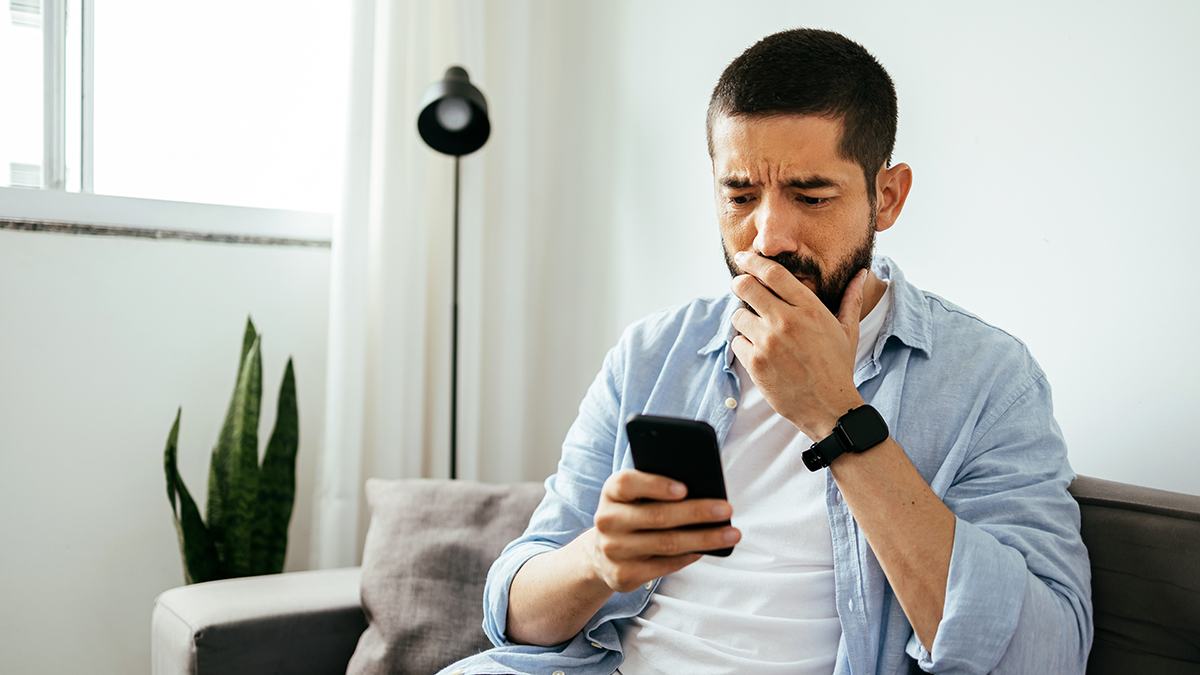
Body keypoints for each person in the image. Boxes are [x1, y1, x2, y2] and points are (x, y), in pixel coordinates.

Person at [440, 28, 1092, 675]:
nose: (769, 236)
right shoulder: (652, 354)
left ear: (886, 196)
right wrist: (595, 562)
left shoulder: (989, 379)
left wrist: (837, 416)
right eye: (740, 196)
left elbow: (1045, 654)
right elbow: (513, 614)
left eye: (811, 196)